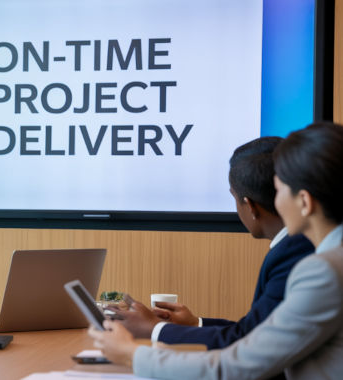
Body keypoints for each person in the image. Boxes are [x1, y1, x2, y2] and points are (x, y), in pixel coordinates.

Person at [90, 122, 343, 379]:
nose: (274, 201)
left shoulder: (324, 271)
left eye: (278, 190)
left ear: (304, 201)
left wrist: (131, 354)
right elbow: (259, 335)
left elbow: (237, 365)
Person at [110, 137, 314, 351]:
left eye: (234, 198)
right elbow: (253, 329)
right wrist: (195, 323)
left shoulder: (295, 253)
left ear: (251, 206)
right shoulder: (296, 246)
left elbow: (250, 343)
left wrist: (154, 329)